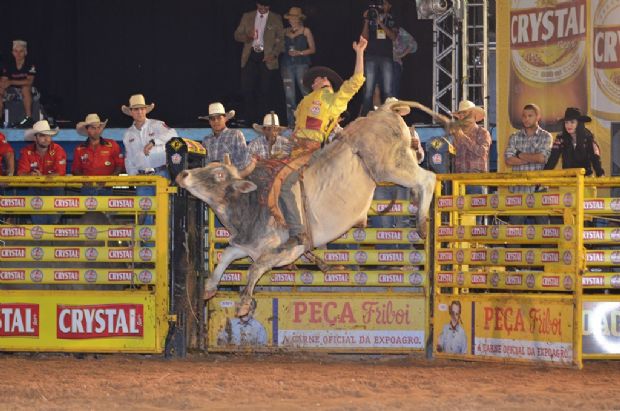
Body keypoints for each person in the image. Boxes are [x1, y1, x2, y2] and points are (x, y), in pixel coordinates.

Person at [278, 36, 368, 249]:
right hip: (297, 149)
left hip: (309, 150)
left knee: (284, 185)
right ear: (313, 84)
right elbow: (295, 130)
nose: (321, 78)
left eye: (324, 78)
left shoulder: (333, 100)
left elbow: (356, 80)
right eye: (318, 78)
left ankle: (297, 231)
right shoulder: (303, 103)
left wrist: (360, 53)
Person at [122, 94, 177, 224]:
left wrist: (154, 141)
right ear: (131, 112)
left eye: (142, 108)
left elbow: (173, 135)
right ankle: (147, 243)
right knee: (144, 211)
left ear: (146, 110)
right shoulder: (128, 134)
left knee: (164, 209)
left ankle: (165, 242)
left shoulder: (157, 125)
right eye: (136, 109)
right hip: (142, 177)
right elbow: (129, 158)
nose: (139, 112)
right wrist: (132, 177)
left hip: (161, 173)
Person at [234, 1, 284, 125]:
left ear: (270, 6)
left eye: (266, 6)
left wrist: (274, 54)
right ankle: (249, 119)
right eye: (261, 6)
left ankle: (264, 120)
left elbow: (281, 40)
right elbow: (237, 35)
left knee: (265, 90)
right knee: (247, 88)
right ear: (257, 4)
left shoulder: (276, 18)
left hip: (267, 57)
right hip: (250, 55)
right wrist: (247, 36)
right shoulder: (247, 16)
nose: (263, 9)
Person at [504, 104, 553, 225]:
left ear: (538, 117)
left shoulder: (546, 136)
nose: (526, 119)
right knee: (514, 230)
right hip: (518, 188)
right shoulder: (514, 137)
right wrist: (532, 158)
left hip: (539, 188)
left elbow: (542, 158)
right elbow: (509, 160)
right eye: (524, 116)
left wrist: (519, 154)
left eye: (530, 116)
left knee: (544, 230)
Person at [17, 120, 66, 224]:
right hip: (35, 188)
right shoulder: (26, 151)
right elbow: (21, 174)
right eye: (42, 135)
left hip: (54, 187)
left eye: (48, 135)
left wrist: (41, 178)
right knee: (39, 224)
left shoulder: (58, 150)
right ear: (35, 138)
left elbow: (60, 173)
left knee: (53, 222)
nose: (47, 138)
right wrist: (31, 175)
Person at [360, 0, 398, 116]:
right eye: (381, 4)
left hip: (386, 57)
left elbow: (393, 36)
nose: (382, 6)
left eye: (385, 4)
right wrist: (367, 20)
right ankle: (365, 118)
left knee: (387, 90)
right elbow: (364, 38)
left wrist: (380, 23)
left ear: (389, 6)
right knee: (368, 90)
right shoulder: (371, 19)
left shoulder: (392, 19)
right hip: (371, 56)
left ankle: (388, 117)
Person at [280, 6, 316, 128]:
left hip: (302, 64)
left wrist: (299, 52)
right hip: (287, 65)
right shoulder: (285, 31)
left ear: (299, 19)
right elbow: (278, 45)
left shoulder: (306, 30)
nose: (292, 20)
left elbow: (312, 49)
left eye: (294, 18)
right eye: (290, 18)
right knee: (289, 97)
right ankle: (291, 125)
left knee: (306, 93)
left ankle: (309, 123)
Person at [73, 113, 124, 196]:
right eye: (93, 128)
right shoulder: (79, 149)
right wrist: (85, 181)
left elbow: (119, 166)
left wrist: (109, 180)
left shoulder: (112, 145)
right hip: (87, 188)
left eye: (98, 127)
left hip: (107, 188)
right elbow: (75, 170)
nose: (96, 131)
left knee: (107, 209)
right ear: (87, 130)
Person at [544, 107, 605, 177]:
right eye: (566, 122)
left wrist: (600, 174)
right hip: (568, 180)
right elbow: (553, 158)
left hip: (586, 179)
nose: (568, 125)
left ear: (579, 123)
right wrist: (543, 175)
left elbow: (595, 158)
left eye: (572, 122)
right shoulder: (561, 138)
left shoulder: (588, 137)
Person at [200, 102, 255, 176]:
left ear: (225, 119)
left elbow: (243, 161)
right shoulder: (206, 140)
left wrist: (226, 168)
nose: (216, 121)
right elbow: (203, 163)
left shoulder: (236, 134)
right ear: (209, 121)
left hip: (231, 179)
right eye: (212, 119)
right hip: (212, 180)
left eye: (219, 118)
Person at [451, 100, 492, 194]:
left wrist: (464, 138)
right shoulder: (456, 135)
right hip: (458, 179)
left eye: (464, 113)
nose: (462, 117)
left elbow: (482, 152)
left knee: (475, 207)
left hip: (476, 179)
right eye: (460, 114)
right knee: (458, 207)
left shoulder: (482, 132)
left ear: (473, 115)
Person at [0, 40, 38, 128]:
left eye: (21, 51)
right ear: (13, 52)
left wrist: (11, 82)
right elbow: (4, 80)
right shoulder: (8, 64)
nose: (18, 54)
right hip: (11, 90)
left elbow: (29, 81)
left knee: (25, 87)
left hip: (29, 90)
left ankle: (29, 118)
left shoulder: (30, 64)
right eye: (16, 51)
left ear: (25, 52)